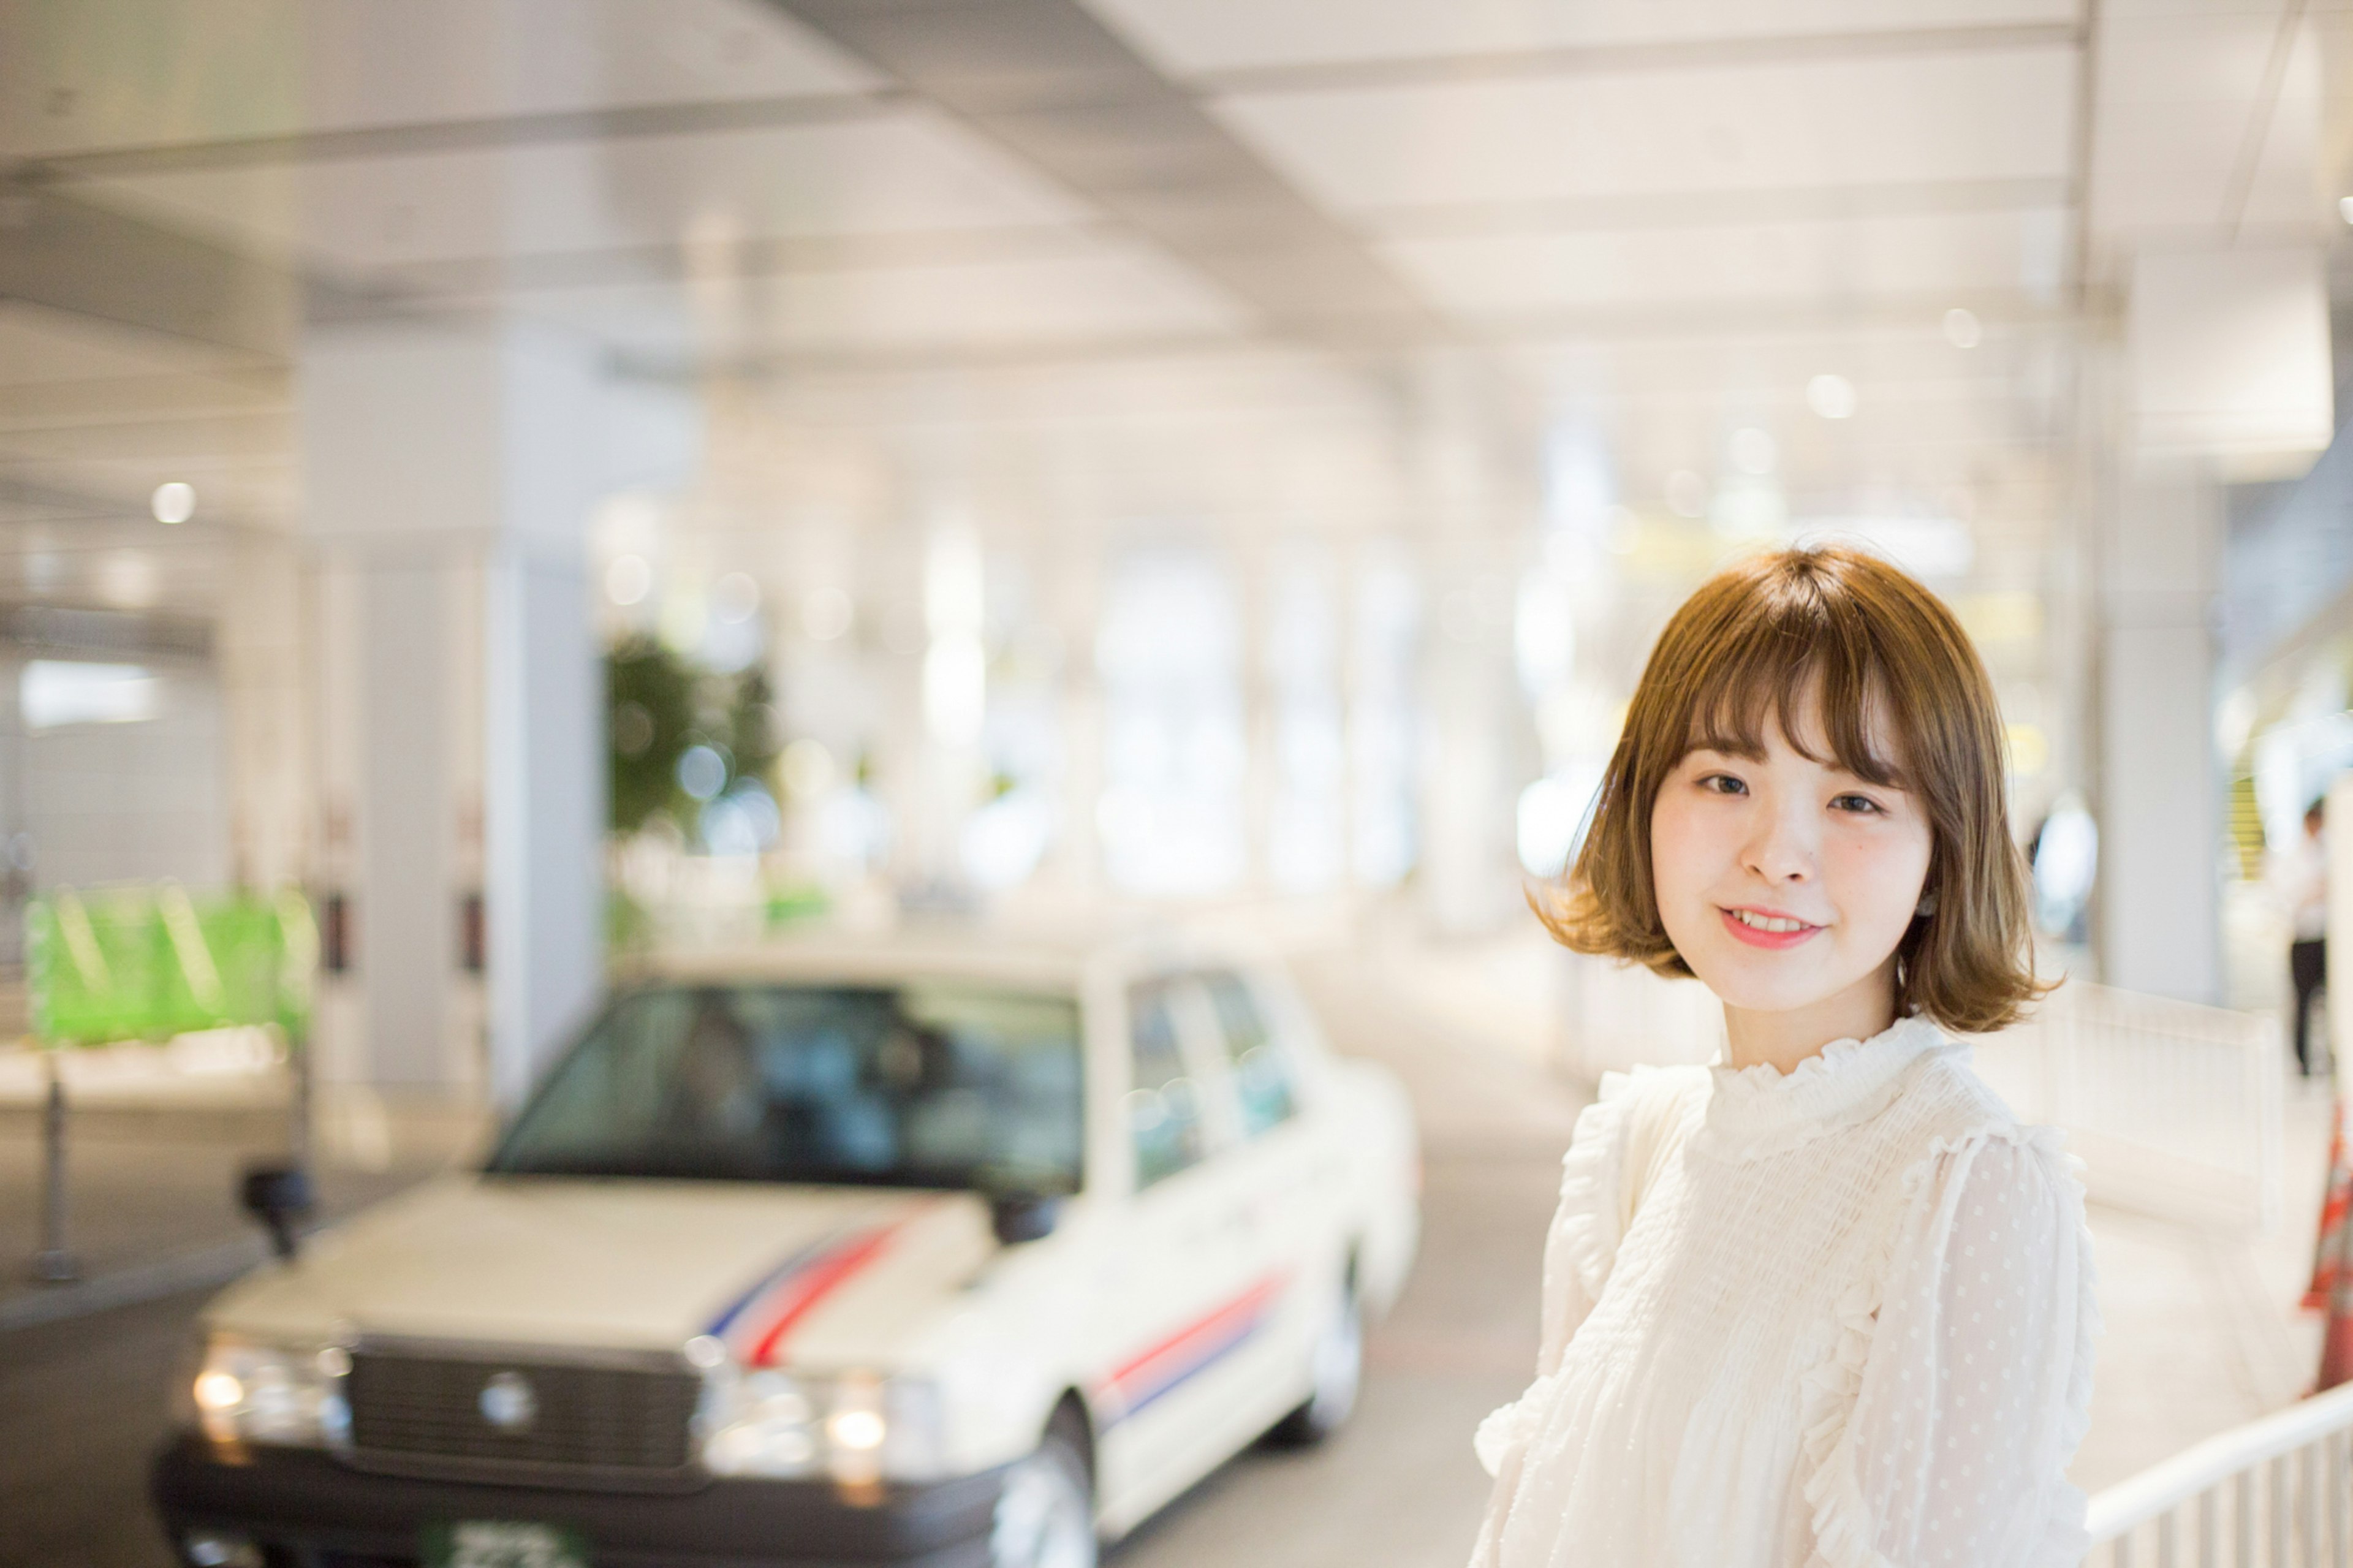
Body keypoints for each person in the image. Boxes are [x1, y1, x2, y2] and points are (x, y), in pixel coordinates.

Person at [1471, 546, 2096, 1567]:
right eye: (1724, 777)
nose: (1777, 850)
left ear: (1942, 855)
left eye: (1856, 799)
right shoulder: (1637, 1145)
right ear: (1647, 805)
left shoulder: (1970, 1189)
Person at [2279, 799, 2328, 1076]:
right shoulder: (2293, 858)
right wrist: (2313, 891)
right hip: (2304, 937)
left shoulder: (2332, 853)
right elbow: (2287, 900)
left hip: (2328, 939)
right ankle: (2303, 1062)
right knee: (2303, 1003)